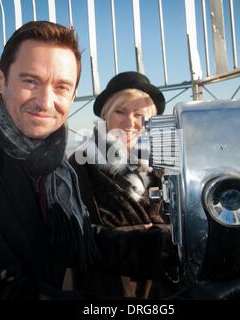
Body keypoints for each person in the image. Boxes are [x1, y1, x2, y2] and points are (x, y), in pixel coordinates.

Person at [0, 21, 177, 300]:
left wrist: (169, 248)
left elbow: (77, 241)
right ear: (1, 80)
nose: (45, 102)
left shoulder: (53, 164)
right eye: (30, 81)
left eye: (61, 87)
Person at [69, 72, 180, 298]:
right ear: (105, 115)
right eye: (120, 111)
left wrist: (165, 237)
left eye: (139, 114)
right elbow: (72, 236)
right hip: (107, 290)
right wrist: (146, 242)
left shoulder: (166, 165)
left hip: (163, 289)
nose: (130, 123)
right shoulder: (80, 165)